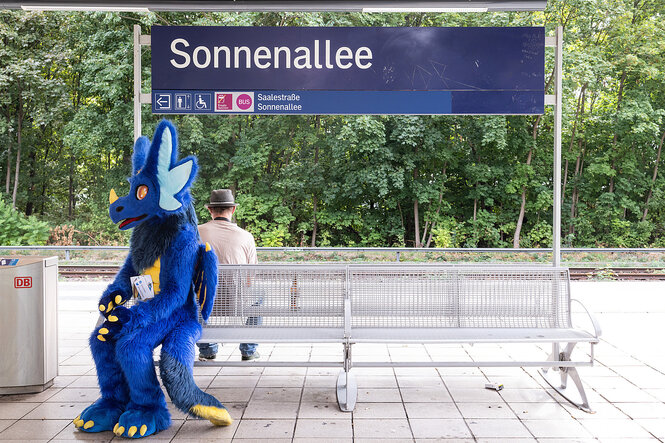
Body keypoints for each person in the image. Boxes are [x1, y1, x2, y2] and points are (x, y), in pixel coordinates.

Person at [197, 189, 260, 361]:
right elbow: (250, 278)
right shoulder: (246, 236)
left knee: (191, 299)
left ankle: (207, 349)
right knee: (260, 297)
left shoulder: (196, 232)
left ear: (210, 210)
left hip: (202, 303)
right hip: (236, 302)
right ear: (233, 210)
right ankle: (248, 350)